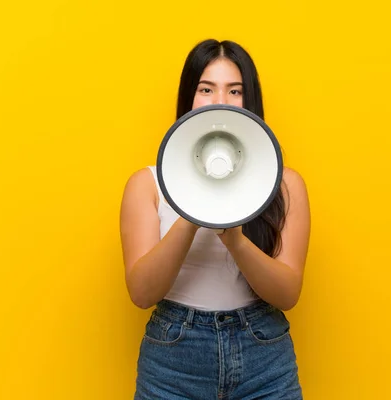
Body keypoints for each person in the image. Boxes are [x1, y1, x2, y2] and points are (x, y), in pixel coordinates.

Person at [119, 38, 311, 400]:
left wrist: (235, 239)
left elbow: (287, 294)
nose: (220, 102)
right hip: (173, 363)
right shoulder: (147, 184)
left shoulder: (285, 184)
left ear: (249, 100)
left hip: (264, 359)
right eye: (206, 89)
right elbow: (142, 292)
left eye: (234, 90)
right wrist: (193, 208)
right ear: (188, 98)